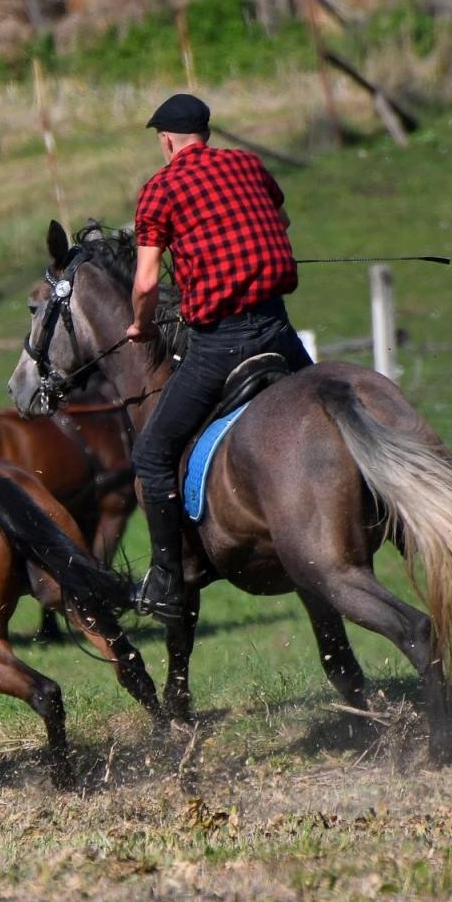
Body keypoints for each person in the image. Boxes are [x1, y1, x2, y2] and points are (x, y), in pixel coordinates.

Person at [126, 94, 314, 626]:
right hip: (278, 328)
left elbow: (144, 283)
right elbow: (282, 220)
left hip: (220, 344)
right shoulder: (249, 164)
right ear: (205, 132)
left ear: (166, 140)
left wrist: (141, 324)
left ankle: (167, 576)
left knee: (153, 455)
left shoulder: (160, 189)